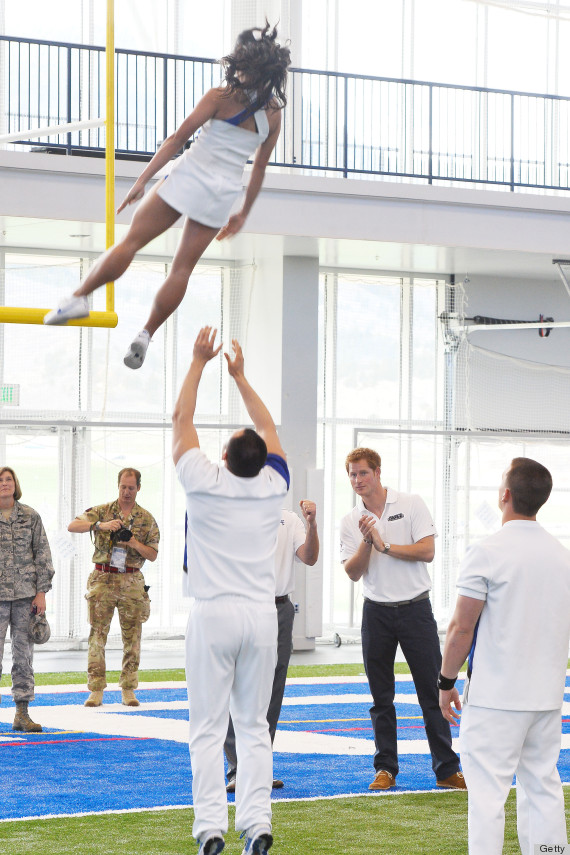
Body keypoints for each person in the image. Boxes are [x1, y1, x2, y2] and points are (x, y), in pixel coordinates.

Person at [43, 23, 291, 372]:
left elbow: (176, 139)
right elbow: (260, 168)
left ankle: (79, 298)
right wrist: (242, 213)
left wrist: (142, 180)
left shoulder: (218, 97)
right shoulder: (274, 114)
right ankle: (145, 334)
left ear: (243, 63)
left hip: (190, 176)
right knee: (182, 270)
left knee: (131, 242)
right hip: (221, 194)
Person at [173, 327, 289, 855]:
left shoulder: (204, 481)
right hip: (262, 617)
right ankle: (259, 827)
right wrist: (240, 376)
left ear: (223, 456)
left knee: (206, 727)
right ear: (261, 461)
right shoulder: (274, 487)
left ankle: (211, 831)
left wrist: (198, 363)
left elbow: (181, 422)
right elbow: (268, 427)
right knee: (254, 727)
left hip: (214, 613)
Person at [439, 458, 570, 855]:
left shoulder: (487, 552)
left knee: (487, 798)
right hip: (546, 697)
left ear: (506, 495)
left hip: (495, 698)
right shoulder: (562, 555)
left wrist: (445, 682)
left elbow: (462, 627)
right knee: (543, 787)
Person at [340, 447, 465, 791]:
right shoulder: (351, 520)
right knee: (381, 697)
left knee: (432, 691)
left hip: (415, 610)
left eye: (363, 473)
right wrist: (367, 542)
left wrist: (385, 546)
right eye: (351, 475)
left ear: (378, 472)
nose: (357, 480)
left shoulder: (410, 503)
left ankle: (446, 769)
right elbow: (352, 573)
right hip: (376, 613)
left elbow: (427, 551)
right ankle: (385, 770)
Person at [224, 500, 319, 793]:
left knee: (273, 688)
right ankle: (238, 767)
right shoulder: (233, 515)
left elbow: (310, 557)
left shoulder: (288, 520)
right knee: (238, 684)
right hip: (243, 606)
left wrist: (312, 524)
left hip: (279, 608)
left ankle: (260, 765)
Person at [68, 467, 159, 707]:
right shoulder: (103, 511)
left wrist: (133, 542)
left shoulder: (146, 519)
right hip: (103, 579)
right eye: (123, 487)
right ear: (117, 486)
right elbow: (72, 526)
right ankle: (96, 689)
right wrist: (100, 526)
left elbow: (152, 554)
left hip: (131, 580)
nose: (126, 492)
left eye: (131, 487)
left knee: (133, 637)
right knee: (97, 636)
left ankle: (128, 689)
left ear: (138, 488)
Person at [0, 466, 54, 733]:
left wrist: (41, 592)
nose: (4, 483)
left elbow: (42, 554)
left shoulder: (31, 516)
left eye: (8, 479)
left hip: (25, 598)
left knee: (23, 657)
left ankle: (22, 714)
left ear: (15, 484)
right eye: (0, 480)